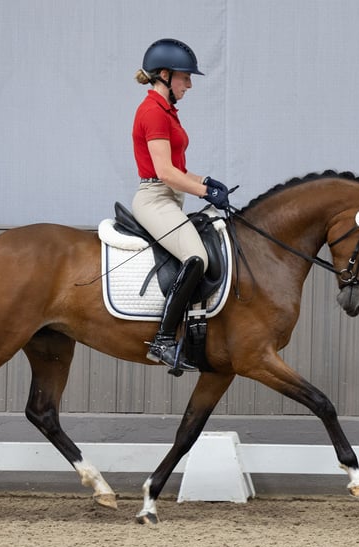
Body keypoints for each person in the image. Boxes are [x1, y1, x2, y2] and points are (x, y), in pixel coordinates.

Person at [132, 38, 231, 373]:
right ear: (164, 75)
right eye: (185, 77)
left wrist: (207, 181)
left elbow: (179, 170)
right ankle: (162, 340)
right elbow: (165, 173)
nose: (189, 84)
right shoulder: (153, 112)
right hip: (155, 198)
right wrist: (204, 192)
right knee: (196, 256)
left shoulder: (167, 111)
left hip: (169, 196)